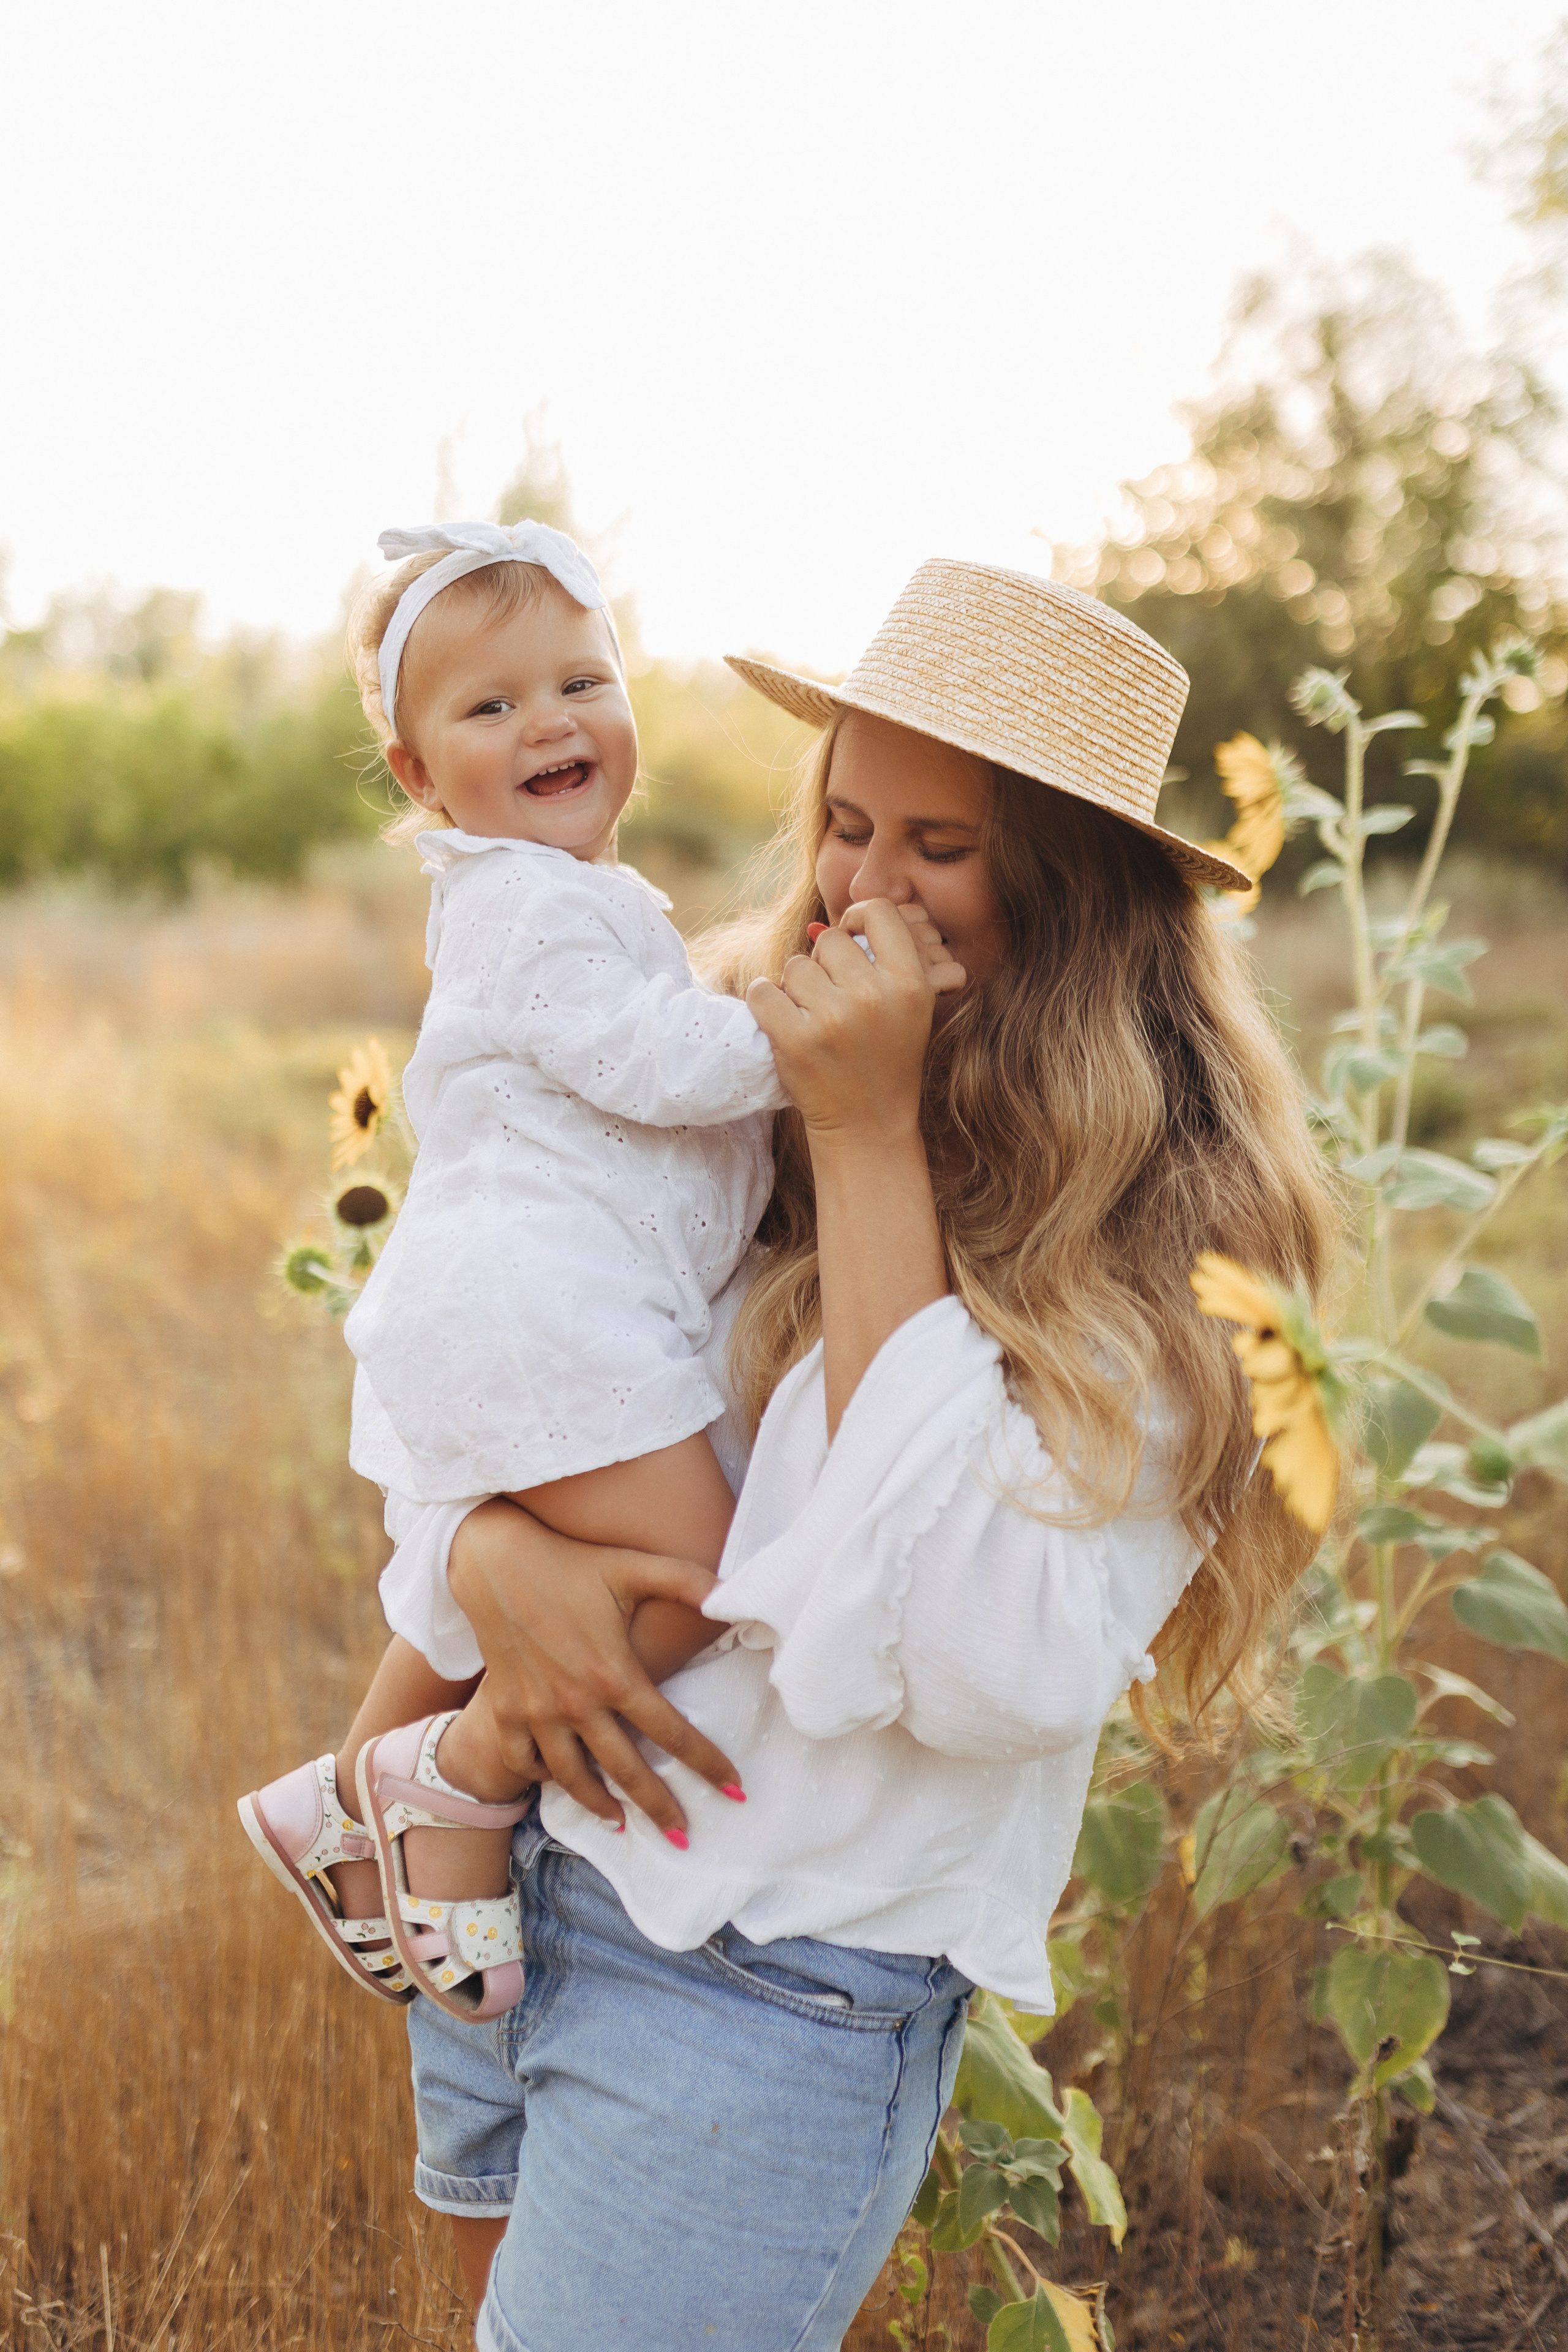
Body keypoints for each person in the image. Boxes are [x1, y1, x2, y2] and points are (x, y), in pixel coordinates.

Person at [378, 559, 1341, 2352]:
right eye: (845, 823)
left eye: (942, 847)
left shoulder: (1182, 1227)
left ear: (1079, 889)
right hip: (523, 1885)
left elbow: (978, 1661)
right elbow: (500, 1320)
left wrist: (874, 1138)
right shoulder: (732, 1044)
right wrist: (482, 1556)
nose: (862, 889)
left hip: (764, 1988)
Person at [238, 519, 963, 2018]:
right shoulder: (515, 907)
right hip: (537, 1308)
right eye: (490, 707)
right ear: (420, 779)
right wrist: (813, 1030)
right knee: (691, 1575)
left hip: (557, 1303)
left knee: (532, 1573)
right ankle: (457, 1781)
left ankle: (339, 1803)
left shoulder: (582, 899)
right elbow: (650, 1063)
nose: (549, 722)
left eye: (581, 679)